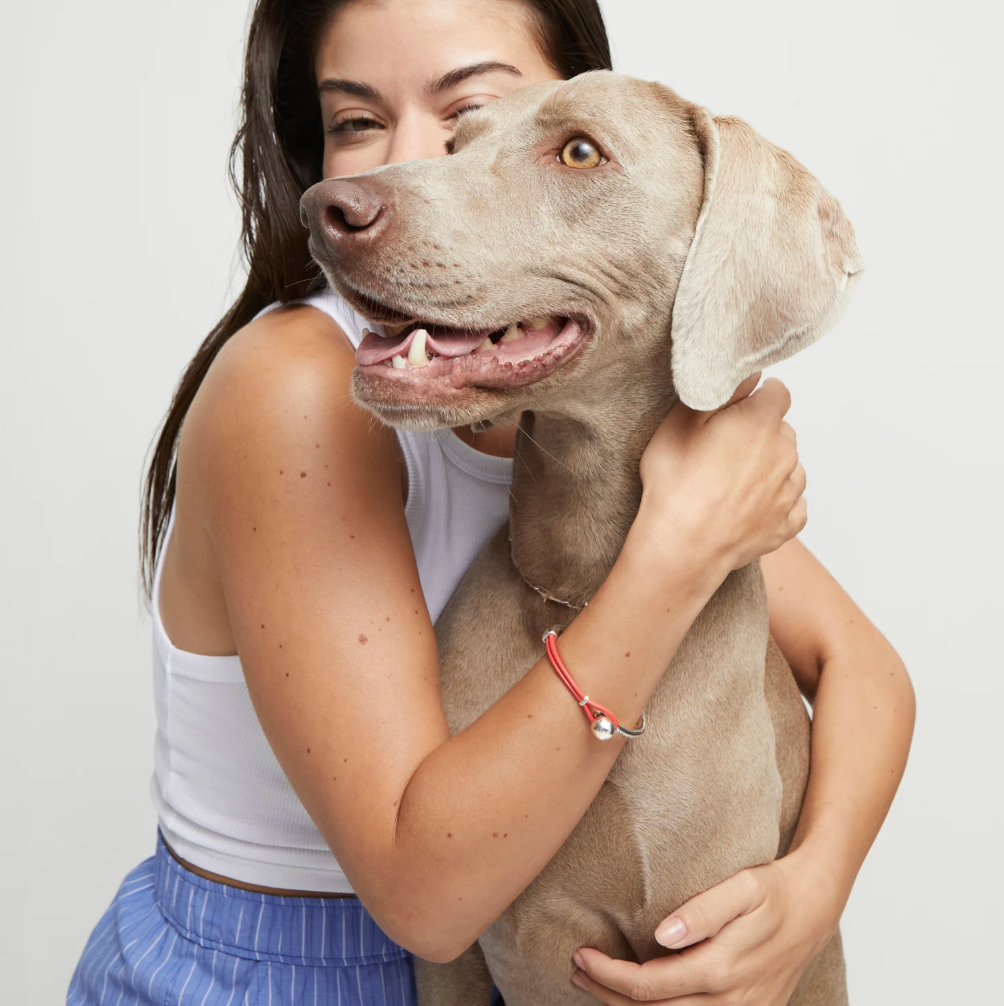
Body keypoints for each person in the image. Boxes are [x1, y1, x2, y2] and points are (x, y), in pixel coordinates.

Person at [67, 1, 915, 1004]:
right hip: (281, 975)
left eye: (474, 115)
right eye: (354, 124)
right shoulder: (294, 388)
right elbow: (426, 902)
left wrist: (806, 898)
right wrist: (670, 557)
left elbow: (861, 666)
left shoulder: (566, 411)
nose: (405, 169)